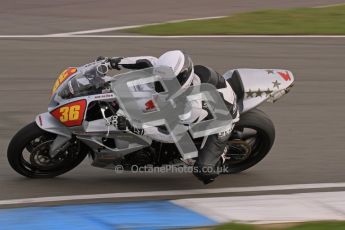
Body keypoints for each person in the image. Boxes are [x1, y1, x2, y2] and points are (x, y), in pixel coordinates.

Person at [105, 50, 239, 184]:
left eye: (165, 82)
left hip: (222, 118)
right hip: (207, 101)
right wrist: (113, 62)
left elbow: (173, 136)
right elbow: (146, 61)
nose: (159, 84)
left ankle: (221, 154)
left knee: (203, 171)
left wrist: (136, 127)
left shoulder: (193, 106)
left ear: (180, 79)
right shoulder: (169, 71)